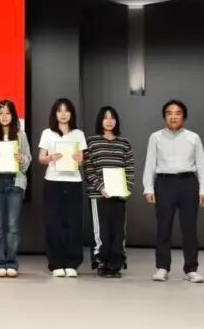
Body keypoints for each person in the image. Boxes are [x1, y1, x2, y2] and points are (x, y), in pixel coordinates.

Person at [143, 99, 204, 284]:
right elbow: (150, 163)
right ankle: (162, 267)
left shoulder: (193, 138)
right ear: (164, 116)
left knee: (189, 228)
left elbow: (202, 165)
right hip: (164, 183)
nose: (173, 117)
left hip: (188, 183)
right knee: (163, 226)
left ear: (184, 117)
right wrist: (148, 187)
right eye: (169, 113)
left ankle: (191, 269)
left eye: (178, 113)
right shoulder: (155, 137)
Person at [0, 99, 31, 277]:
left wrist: (22, 159)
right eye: (1, 113)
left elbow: (28, 160)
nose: (4, 116)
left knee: (13, 226)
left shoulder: (21, 135)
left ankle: (11, 262)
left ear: (13, 115)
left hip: (15, 182)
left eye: (8, 113)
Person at [83, 105, 135, 278]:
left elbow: (129, 168)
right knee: (102, 231)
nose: (109, 121)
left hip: (119, 195)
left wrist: (127, 189)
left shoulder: (124, 143)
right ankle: (102, 263)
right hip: (99, 195)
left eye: (112, 117)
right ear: (100, 120)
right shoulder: (91, 142)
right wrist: (101, 187)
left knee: (119, 231)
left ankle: (116, 263)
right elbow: (88, 168)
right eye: (105, 117)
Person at [37, 97, 87, 277]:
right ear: (55, 114)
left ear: (71, 113)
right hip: (53, 181)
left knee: (73, 223)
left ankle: (72, 263)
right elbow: (41, 158)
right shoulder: (47, 133)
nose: (63, 114)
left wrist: (80, 159)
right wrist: (50, 158)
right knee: (54, 223)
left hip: (73, 182)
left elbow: (82, 159)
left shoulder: (78, 134)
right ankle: (56, 263)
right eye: (60, 110)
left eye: (67, 110)